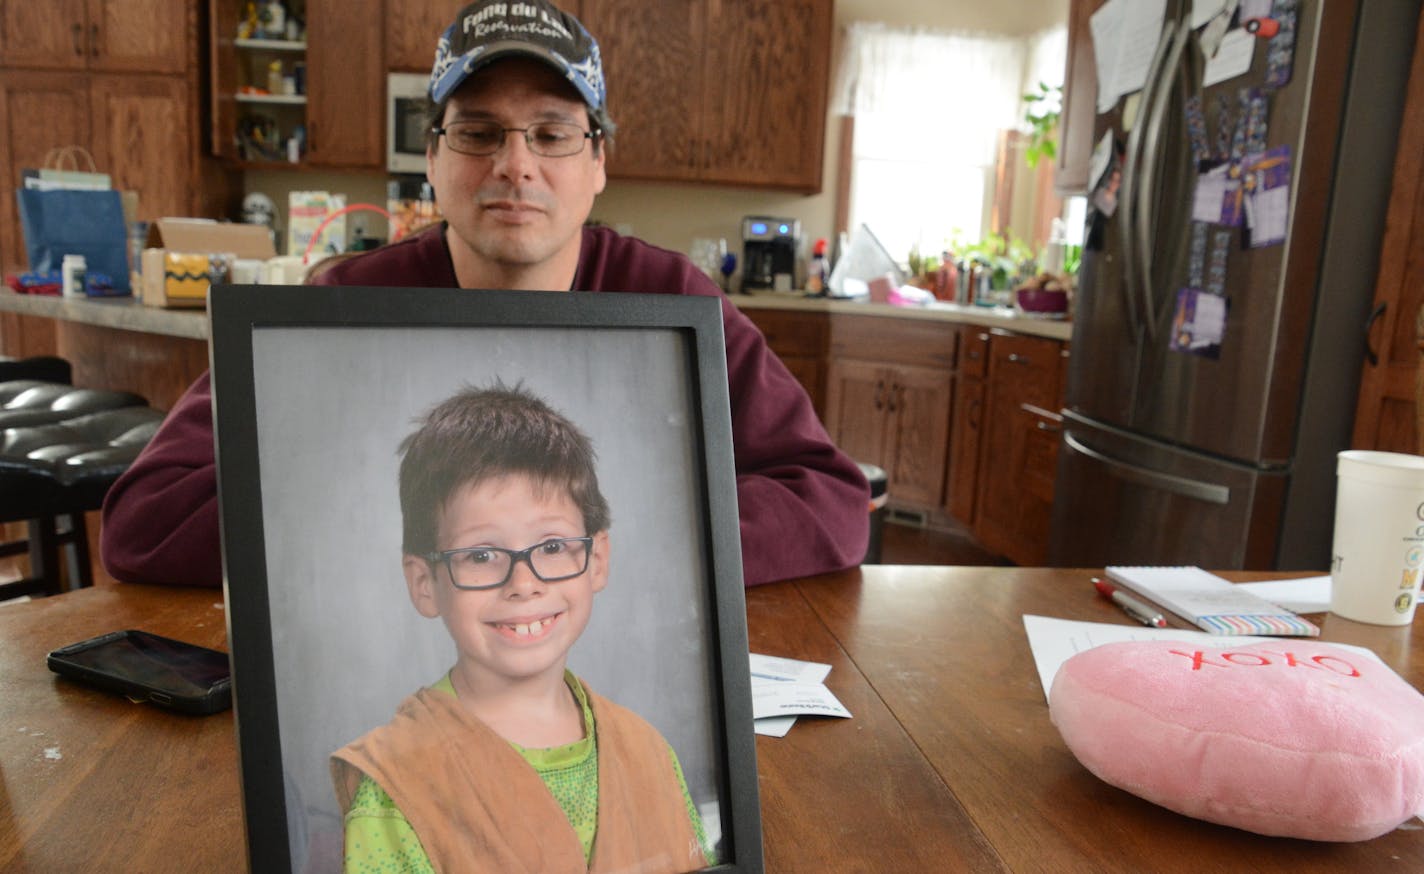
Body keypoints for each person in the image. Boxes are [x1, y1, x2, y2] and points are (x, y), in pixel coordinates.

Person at [99, 0, 868, 590]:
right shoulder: (341, 306)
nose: (516, 164)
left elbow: (828, 500)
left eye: (553, 132)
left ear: (598, 161)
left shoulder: (672, 300)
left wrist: (600, 545)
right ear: (432, 156)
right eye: (478, 132)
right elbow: (147, 520)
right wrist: (420, 537)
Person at [332, 382, 711, 872]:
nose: (524, 583)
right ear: (425, 583)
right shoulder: (395, 787)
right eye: (482, 555)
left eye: (552, 546)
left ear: (597, 559)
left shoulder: (648, 751)